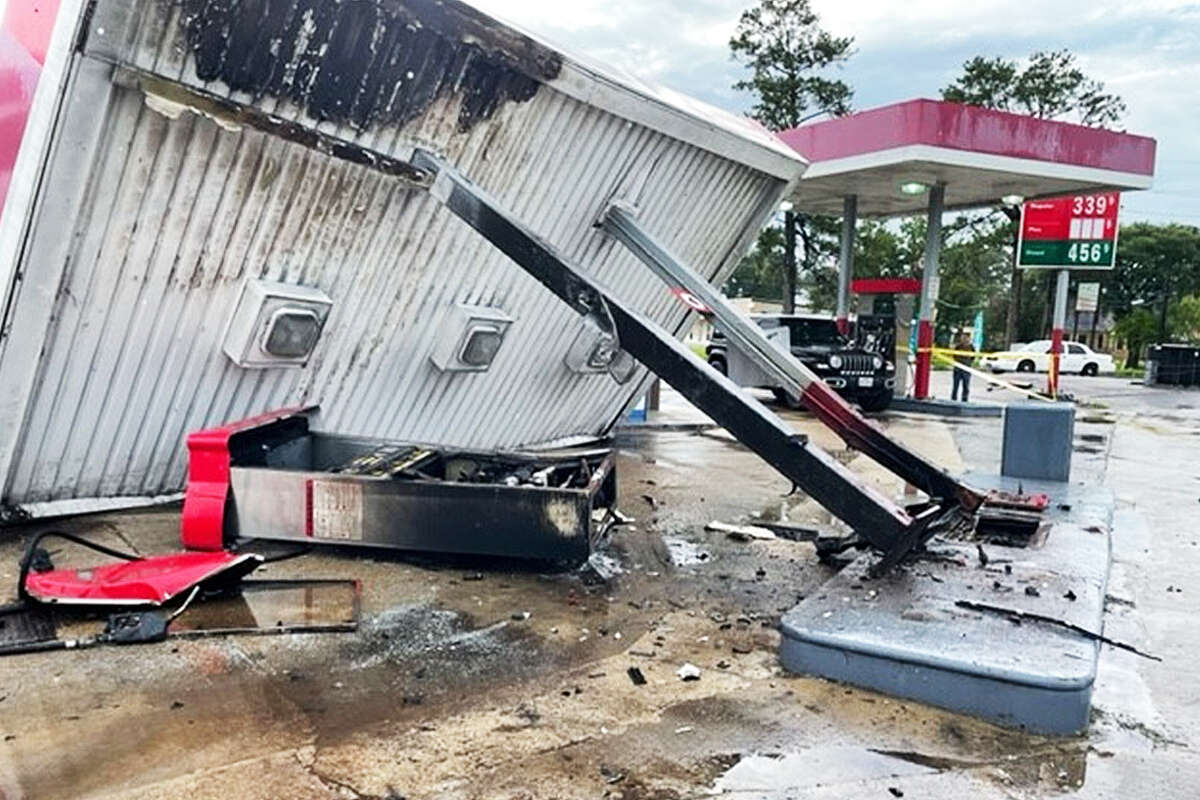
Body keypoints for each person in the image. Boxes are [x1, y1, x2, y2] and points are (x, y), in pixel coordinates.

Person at [951, 331, 974, 402]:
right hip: (958, 369)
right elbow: (954, 356)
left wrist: (968, 363)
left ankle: (964, 399)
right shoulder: (958, 346)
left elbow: (973, 357)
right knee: (955, 386)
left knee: (966, 386)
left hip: (966, 369)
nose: (964, 339)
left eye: (966, 338)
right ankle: (953, 399)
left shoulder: (971, 347)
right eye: (963, 337)